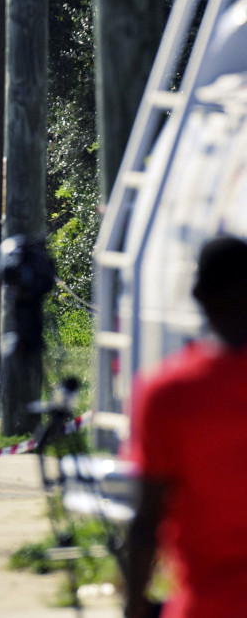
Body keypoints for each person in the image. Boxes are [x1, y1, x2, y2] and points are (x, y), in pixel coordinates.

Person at [126, 236, 247, 618]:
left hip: (203, 605)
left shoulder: (169, 392)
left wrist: (135, 603)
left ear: (198, 294)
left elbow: (148, 516)